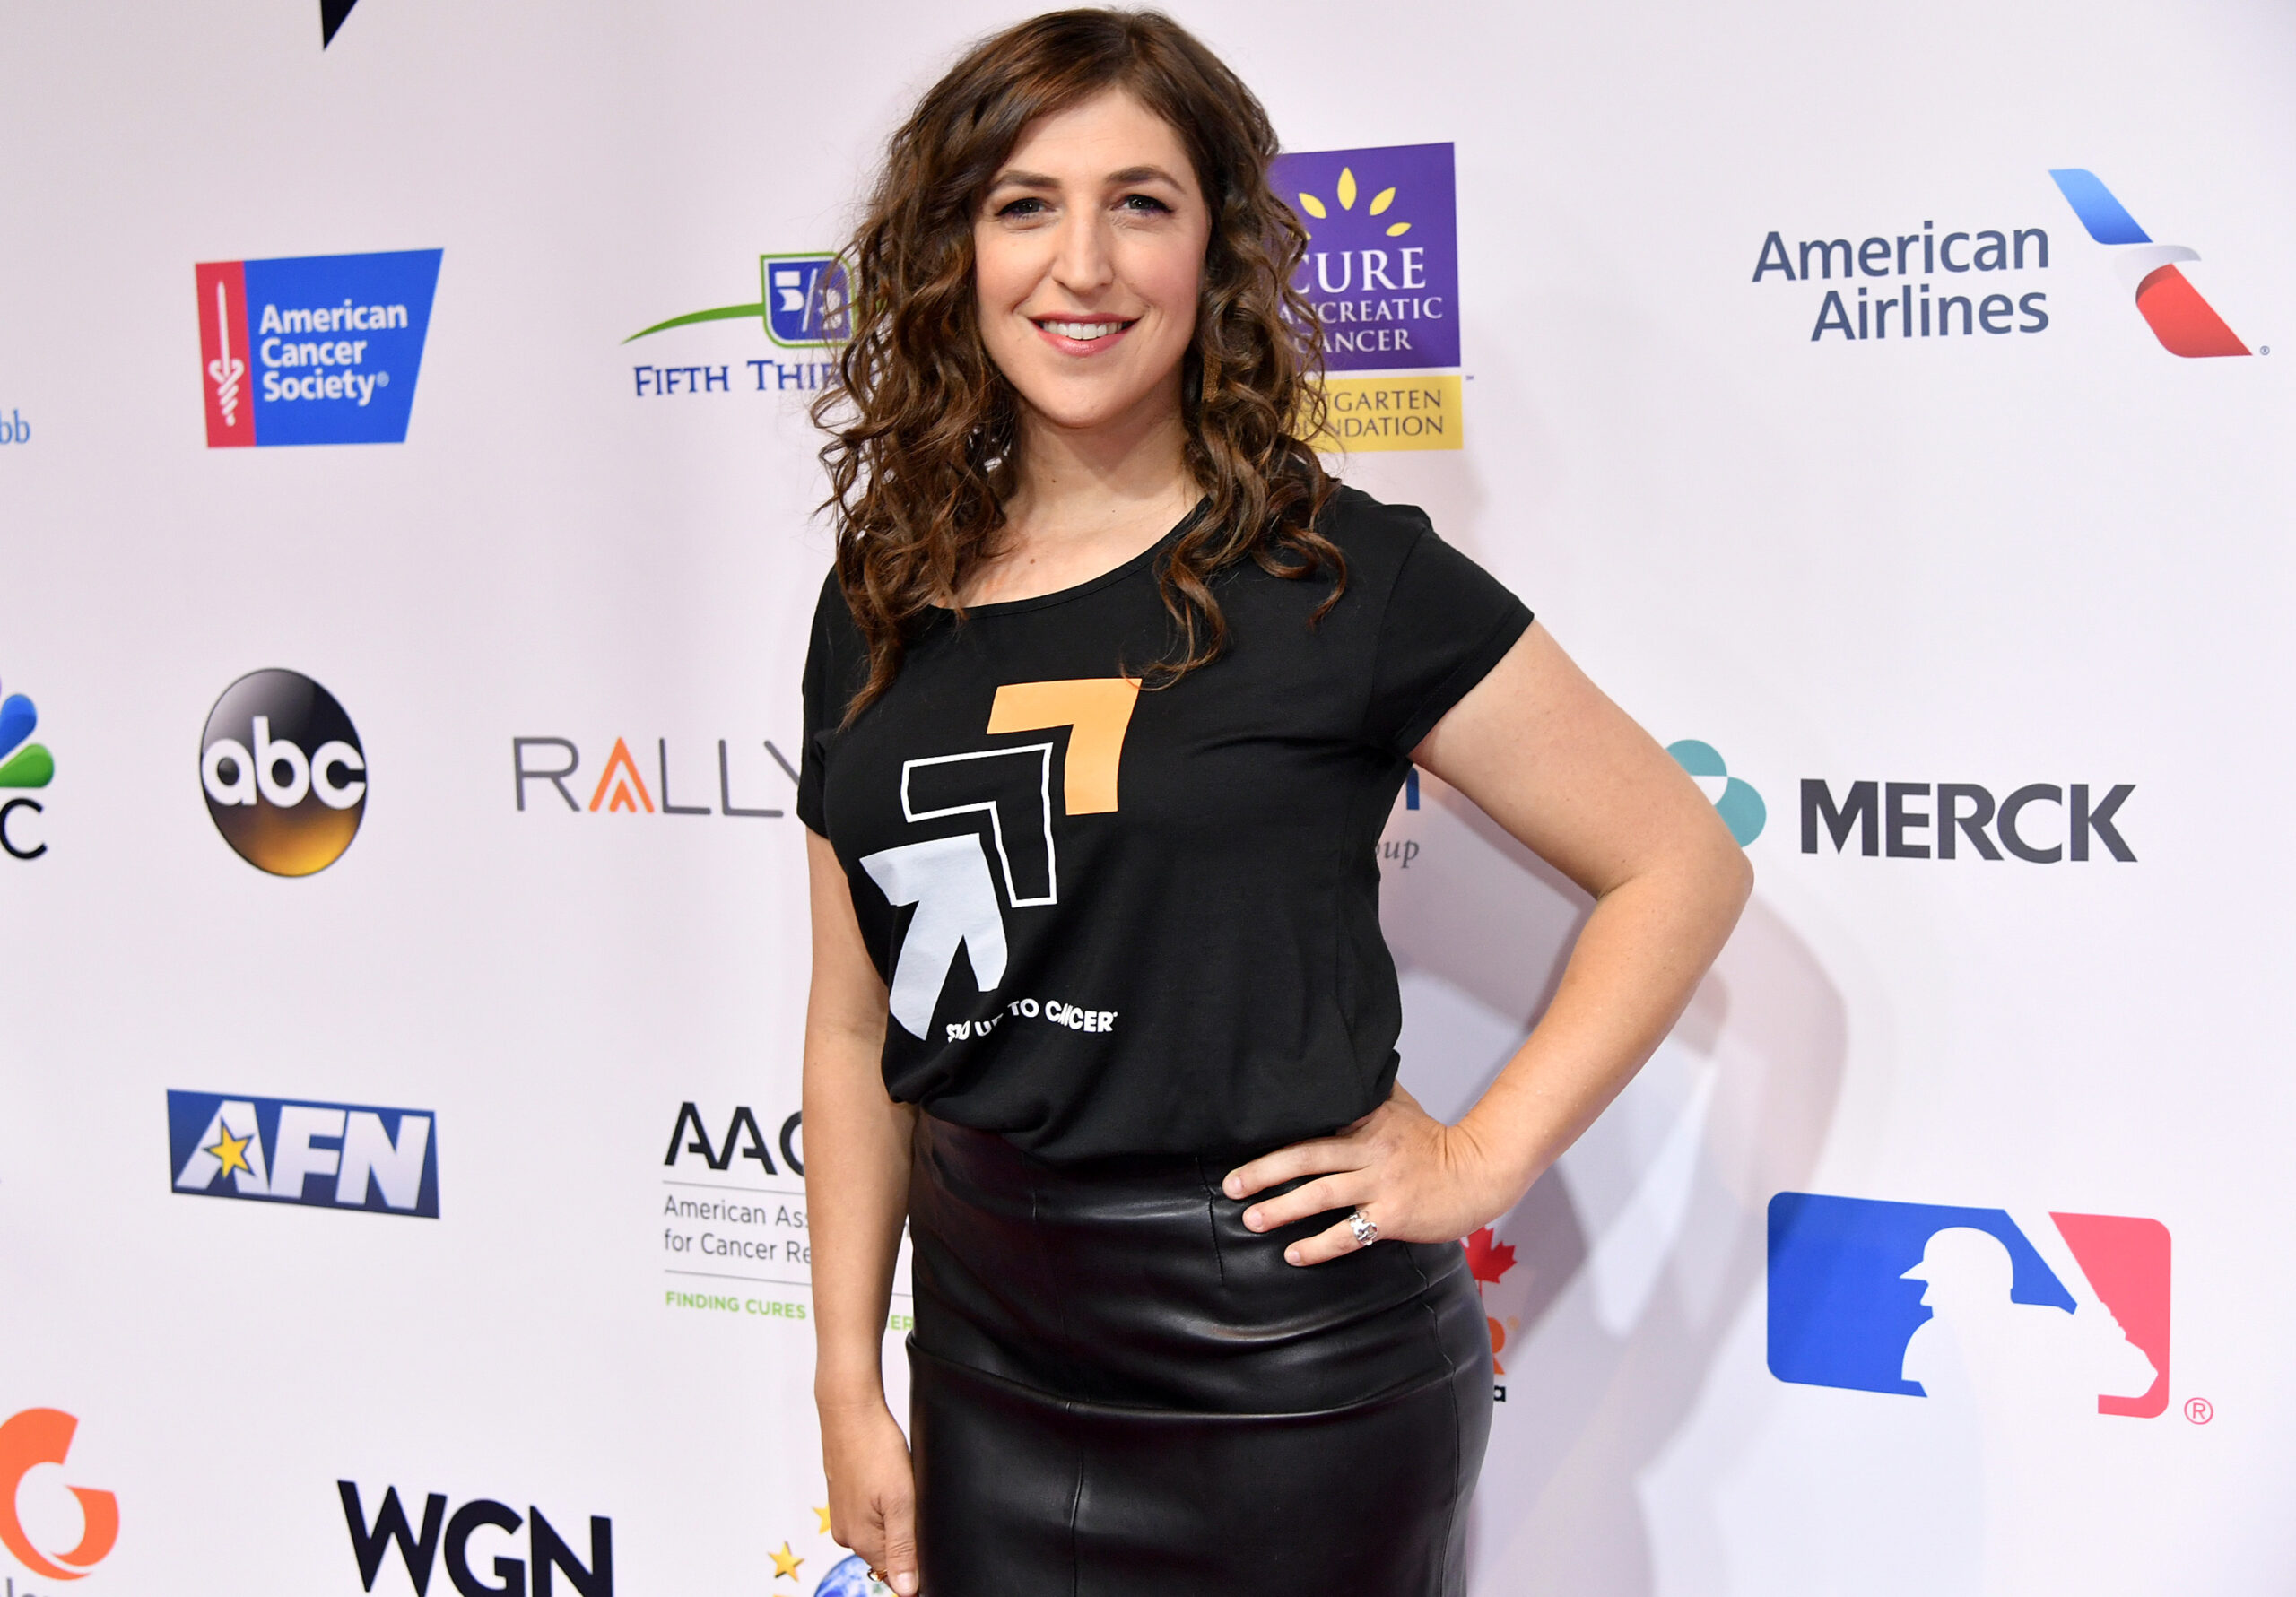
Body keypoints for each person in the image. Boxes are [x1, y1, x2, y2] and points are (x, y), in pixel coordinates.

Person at [795, 11, 1751, 1593]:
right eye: (1025, 204)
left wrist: (1483, 1157)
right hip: (979, 1353)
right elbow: (851, 1026)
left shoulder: (1337, 574)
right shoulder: (878, 596)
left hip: (1289, 1381)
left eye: (1141, 203)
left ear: (1216, 247)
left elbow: (1680, 862)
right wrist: (846, 1374)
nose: (1082, 264)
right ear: (955, 249)